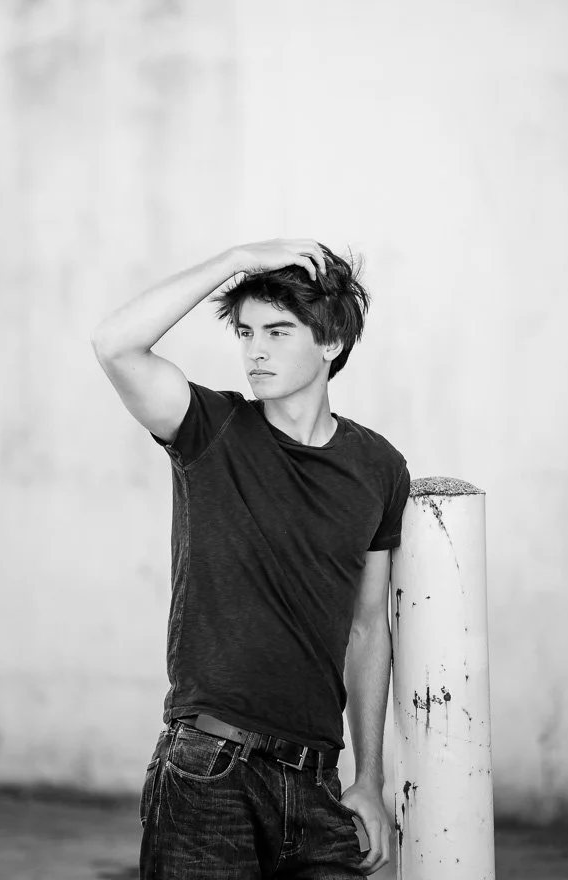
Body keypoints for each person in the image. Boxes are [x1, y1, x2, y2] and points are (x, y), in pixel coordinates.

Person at [91, 239, 411, 879]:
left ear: (330, 342)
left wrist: (370, 779)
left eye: (277, 331)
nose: (254, 351)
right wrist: (235, 260)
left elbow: (367, 627)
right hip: (209, 768)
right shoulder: (210, 427)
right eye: (245, 332)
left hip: (318, 781)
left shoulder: (379, 467)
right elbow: (115, 345)